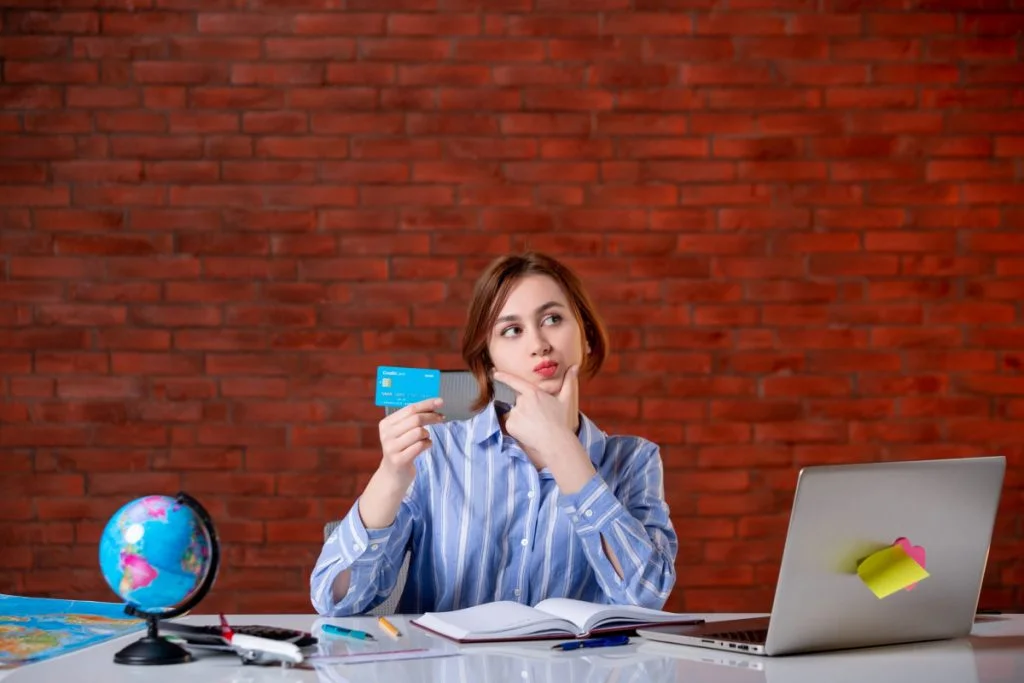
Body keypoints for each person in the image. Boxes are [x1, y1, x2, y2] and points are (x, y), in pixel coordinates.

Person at [310, 252, 678, 616]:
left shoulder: (634, 460)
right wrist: (389, 478)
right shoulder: (435, 450)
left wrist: (564, 449)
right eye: (512, 330)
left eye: (552, 319)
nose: (539, 344)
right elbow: (335, 599)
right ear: (489, 359)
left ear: (586, 337)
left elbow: (646, 596)